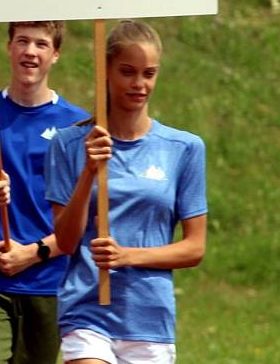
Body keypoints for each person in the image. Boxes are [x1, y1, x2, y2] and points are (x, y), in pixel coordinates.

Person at [45, 20, 207, 364]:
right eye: (127, 72)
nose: (139, 84)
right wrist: (89, 171)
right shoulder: (68, 144)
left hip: (149, 319)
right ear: (105, 70)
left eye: (149, 74)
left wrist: (128, 256)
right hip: (87, 311)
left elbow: (194, 248)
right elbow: (67, 240)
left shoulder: (185, 148)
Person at [0, 21, 89, 364]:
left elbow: (82, 223)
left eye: (41, 44)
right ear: (9, 47)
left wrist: (32, 253)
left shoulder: (77, 125)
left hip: (48, 282)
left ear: (55, 55)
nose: (30, 51)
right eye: (22, 41)